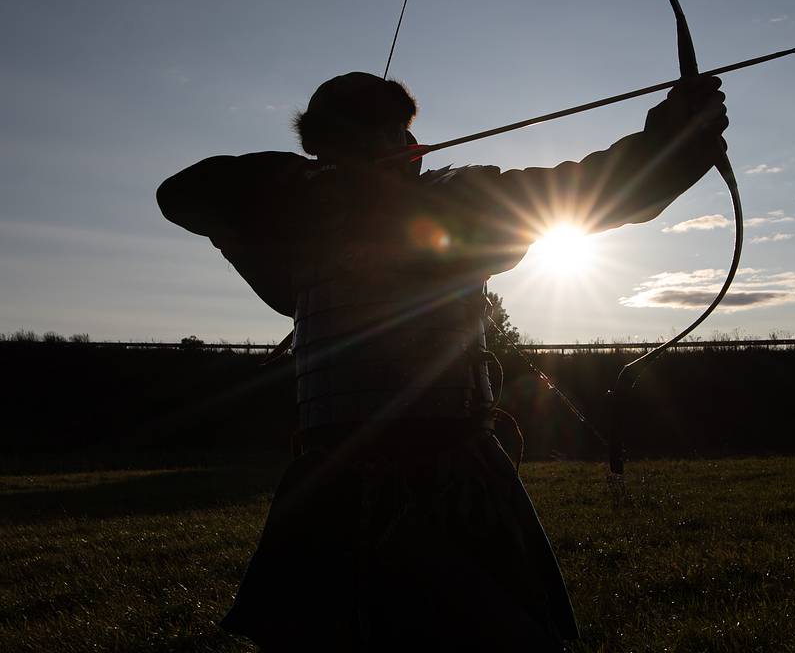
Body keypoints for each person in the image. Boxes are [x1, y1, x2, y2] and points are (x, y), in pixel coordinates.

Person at [156, 70, 728, 652]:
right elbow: (182, 193)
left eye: (406, 131)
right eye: (393, 132)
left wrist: (677, 132)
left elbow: (599, 188)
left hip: (447, 467)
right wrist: (304, 183)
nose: (410, 146)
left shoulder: (449, 205)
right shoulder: (304, 225)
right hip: (331, 477)